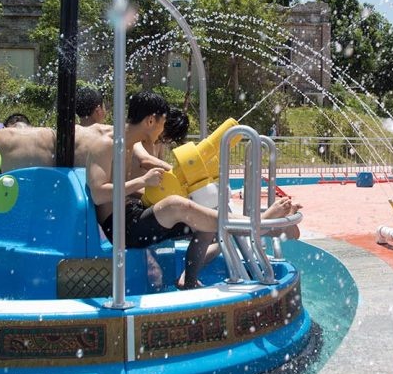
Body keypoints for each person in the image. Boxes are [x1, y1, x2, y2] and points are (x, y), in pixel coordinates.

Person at [87, 91, 300, 290]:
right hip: (122, 227)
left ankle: (189, 281)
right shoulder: (106, 144)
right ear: (150, 121)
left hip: (135, 212)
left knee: (202, 220)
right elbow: (98, 193)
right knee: (176, 205)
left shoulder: (132, 144)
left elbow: (142, 171)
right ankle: (260, 225)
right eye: (162, 123)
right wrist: (143, 181)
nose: (163, 130)